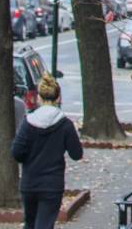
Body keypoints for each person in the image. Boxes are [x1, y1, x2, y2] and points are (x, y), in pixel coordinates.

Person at [10, 73, 82, 229]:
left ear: (39, 99)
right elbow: (77, 154)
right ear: (58, 99)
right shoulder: (65, 124)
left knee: (30, 224)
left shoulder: (27, 123)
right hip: (52, 184)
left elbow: (16, 152)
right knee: (45, 225)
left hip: (30, 183)